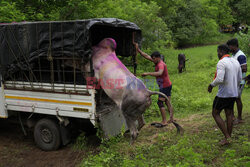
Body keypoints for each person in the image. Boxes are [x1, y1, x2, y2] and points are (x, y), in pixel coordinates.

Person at [208, 44, 242, 145]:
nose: (217, 54)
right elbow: (239, 78)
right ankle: (228, 138)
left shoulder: (221, 62)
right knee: (229, 114)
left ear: (221, 52)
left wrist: (211, 85)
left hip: (223, 94)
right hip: (233, 93)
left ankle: (227, 136)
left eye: (218, 52)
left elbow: (219, 79)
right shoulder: (235, 61)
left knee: (215, 113)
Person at [135, 43, 174, 126]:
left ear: (158, 58)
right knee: (167, 102)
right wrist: (138, 50)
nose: (152, 60)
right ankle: (171, 119)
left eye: (154, 59)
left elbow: (160, 73)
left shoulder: (161, 64)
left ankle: (164, 121)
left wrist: (148, 73)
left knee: (160, 103)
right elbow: (146, 56)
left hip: (165, 85)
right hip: (167, 85)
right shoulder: (157, 61)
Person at [226, 38, 247, 124]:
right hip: (233, 81)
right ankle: (232, 117)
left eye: (229, 46)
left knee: (237, 98)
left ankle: (239, 118)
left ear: (234, 46)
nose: (229, 48)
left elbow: (244, 69)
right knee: (232, 98)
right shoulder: (233, 55)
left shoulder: (240, 55)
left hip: (239, 81)